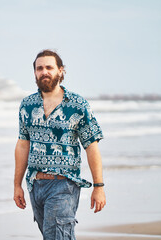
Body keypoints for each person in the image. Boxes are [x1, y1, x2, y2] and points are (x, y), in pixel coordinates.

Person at [13, 49, 106, 240]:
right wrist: (17, 185)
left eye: (49, 67)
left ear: (60, 71)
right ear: (35, 73)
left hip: (64, 184)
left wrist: (99, 186)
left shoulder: (78, 105)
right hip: (35, 184)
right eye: (40, 68)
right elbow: (23, 144)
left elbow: (91, 145)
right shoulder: (27, 105)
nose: (44, 72)